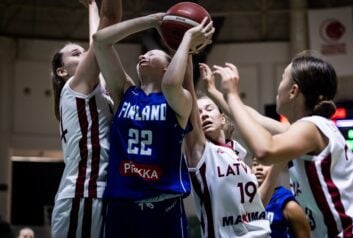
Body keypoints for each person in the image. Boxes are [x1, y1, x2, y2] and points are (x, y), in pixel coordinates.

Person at [214, 52, 353, 237]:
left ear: (293, 91)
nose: (278, 86)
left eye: (282, 78)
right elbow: (251, 117)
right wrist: (212, 91)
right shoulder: (305, 131)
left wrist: (233, 94)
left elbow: (264, 150)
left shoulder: (313, 128)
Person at [92, 12, 214, 237]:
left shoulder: (181, 100)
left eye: (152, 53)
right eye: (144, 53)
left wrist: (186, 39)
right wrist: (152, 21)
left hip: (164, 205)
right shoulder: (125, 93)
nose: (142, 56)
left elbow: (170, 85)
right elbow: (100, 41)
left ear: (169, 67)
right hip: (123, 203)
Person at [50, 0, 122, 237]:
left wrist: (92, 7)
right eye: (75, 54)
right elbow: (105, 34)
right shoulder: (76, 85)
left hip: (92, 194)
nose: (85, 54)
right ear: (63, 71)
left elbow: (98, 43)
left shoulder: (92, 90)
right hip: (84, 194)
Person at [181, 62, 272, 237]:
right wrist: (188, 52)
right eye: (198, 113)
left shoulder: (239, 153)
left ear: (223, 118)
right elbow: (187, 100)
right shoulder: (202, 153)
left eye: (208, 109)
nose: (204, 114)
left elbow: (255, 204)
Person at [252, 158, 311, 238]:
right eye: (255, 164)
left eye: (266, 164)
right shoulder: (245, 201)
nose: (259, 168)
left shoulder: (288, 204)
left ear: (276, 167)